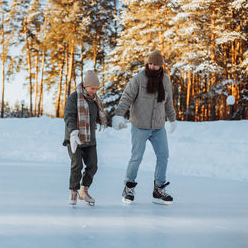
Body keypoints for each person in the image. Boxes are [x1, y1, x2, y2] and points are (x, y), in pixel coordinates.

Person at [112, 50, 177, 205]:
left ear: (161, 65)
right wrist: (118, 115)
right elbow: (126, 97)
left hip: (158, 126)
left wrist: (172, 119)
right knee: (137, 157)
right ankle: (128, 187)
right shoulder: (139, 79)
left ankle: (158, 189)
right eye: (150, 63)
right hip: (140, 126)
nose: (152, 66)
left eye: (155, 64)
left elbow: (168, 102)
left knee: (163, 156)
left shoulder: (166, 81)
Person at [63, 70, 107, 206]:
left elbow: (99, 118)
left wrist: (114, 122)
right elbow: (69, 116)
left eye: (96, 89)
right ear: (86, 86)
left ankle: (84, 190)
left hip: (90, 139)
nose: (94, 91)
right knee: (77, 165)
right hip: (74, 137)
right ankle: (73, 192)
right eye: (92, 88)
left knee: (93, 165)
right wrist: (73, 131)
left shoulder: (95, 101)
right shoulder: (74, 97)